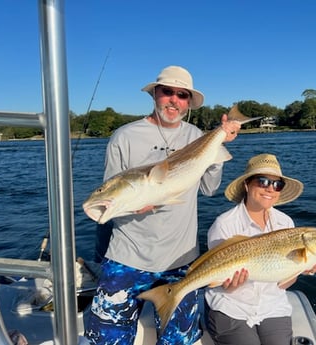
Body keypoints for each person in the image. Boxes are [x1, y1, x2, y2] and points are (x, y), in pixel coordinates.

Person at [84, 65, 241, 345]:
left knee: (178, 342)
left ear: (189, 103)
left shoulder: (197, 135)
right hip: (126, 257)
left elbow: (209, 188)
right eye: (167, 92)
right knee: (104, 340)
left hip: (181, 260)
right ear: (155, 93)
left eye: (182, 95)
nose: (173, 100)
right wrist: (133, 205)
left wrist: (217, 149)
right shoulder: (124, 136)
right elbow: (112, 191)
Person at [205, 153, 316, 345]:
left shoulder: (285, 222)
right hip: (231, 306)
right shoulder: (224, 224)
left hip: (272, 306)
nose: (270, 188)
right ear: (247, 184)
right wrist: (231, 284)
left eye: (277, 184)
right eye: (262, 181)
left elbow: (281, 284)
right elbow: (219, 283)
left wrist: (304, 268)